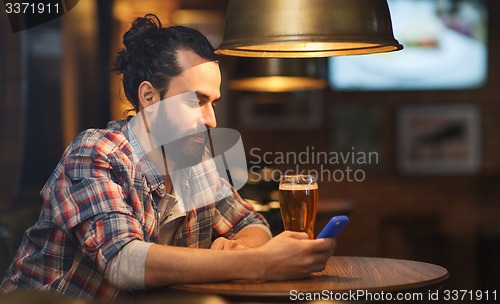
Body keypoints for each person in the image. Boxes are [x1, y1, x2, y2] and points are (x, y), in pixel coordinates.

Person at [0, 14, 336, 301]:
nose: (211, 120)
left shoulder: (194, 160)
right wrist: (261, 263)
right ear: (149, 96)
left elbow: (251, 223)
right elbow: (123, 261)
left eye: (213, 103)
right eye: (196, 101)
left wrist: (242, 249)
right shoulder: (96, 153)